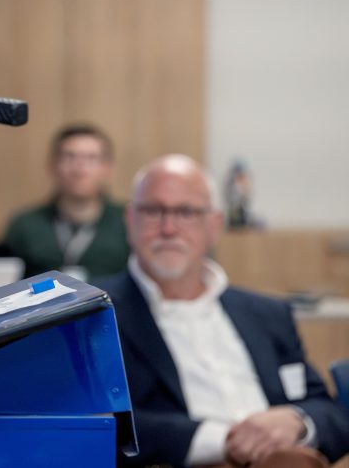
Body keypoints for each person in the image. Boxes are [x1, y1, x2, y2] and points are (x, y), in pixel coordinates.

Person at [96, 154, 349, 468]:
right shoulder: (93, 316)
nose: (169, 228)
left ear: (214, 225)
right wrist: (225, 441)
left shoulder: (267, 314)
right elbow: (97, 424)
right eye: (153, 211)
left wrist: (298, 420)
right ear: (130, 220)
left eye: (186, 212)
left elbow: (329, 411)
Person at [1, 123, 128, 280]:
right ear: (52, 165)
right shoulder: (24, 226)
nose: (79, 169)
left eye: (91, 158)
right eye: (69, 157)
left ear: (108, 168)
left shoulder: (128, 223)